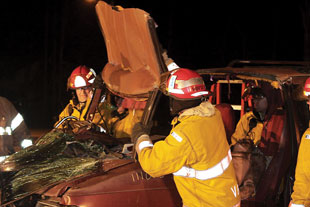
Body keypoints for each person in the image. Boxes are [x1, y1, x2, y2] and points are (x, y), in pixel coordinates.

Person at [131, 68, 241, 207]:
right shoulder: (213, 115)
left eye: (170, 97)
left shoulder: (186, 133)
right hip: (225, 198)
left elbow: (152, 165)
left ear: (178, 100)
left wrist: (141, 137)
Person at [230, 83, 284, 199]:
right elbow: (235, 141)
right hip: (243, 163)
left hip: (262, 166)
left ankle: (246, 189)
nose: (255, 101)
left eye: (259, 98)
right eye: (254, 98)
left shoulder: (277, 122)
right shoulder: (248, 119)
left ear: (269, 99)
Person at [55, 65, 116, 134]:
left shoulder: (105, 108)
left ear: (93, 88)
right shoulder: (70, 109)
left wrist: (95, 129)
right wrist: (68, 124)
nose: (82, 92)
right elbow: (57, 128)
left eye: (86, 88)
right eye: (79, 88)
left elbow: (113, 132)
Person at [289, 77, 310, 207]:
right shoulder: (308, 135)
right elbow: (303, 176)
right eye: (308, 98)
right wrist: (298, 202)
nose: (308, 103)